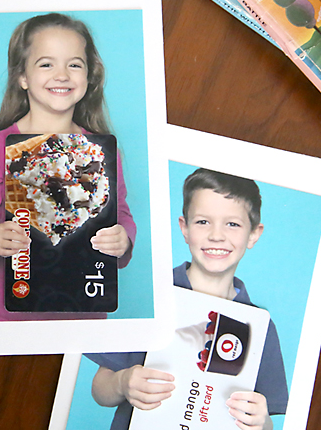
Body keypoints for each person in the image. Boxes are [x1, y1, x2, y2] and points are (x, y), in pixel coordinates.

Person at [0, 12, 136, 321]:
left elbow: (121, 214)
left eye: (74, 64)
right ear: (22, 77)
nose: (62, 75)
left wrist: (124, 240)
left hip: (83, 315)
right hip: (8, 316)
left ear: (89, 76)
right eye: (46, 64)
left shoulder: (103, 149)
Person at [87, 168, 288, 430]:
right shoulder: (152, 299)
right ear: (184, 228)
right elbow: (100, 388)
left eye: (233, 224)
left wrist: (261, 423)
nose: (217, 235)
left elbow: (267, 421)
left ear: (253, 234)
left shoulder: (259, 326)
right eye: (203, 222)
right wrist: (123, 383)